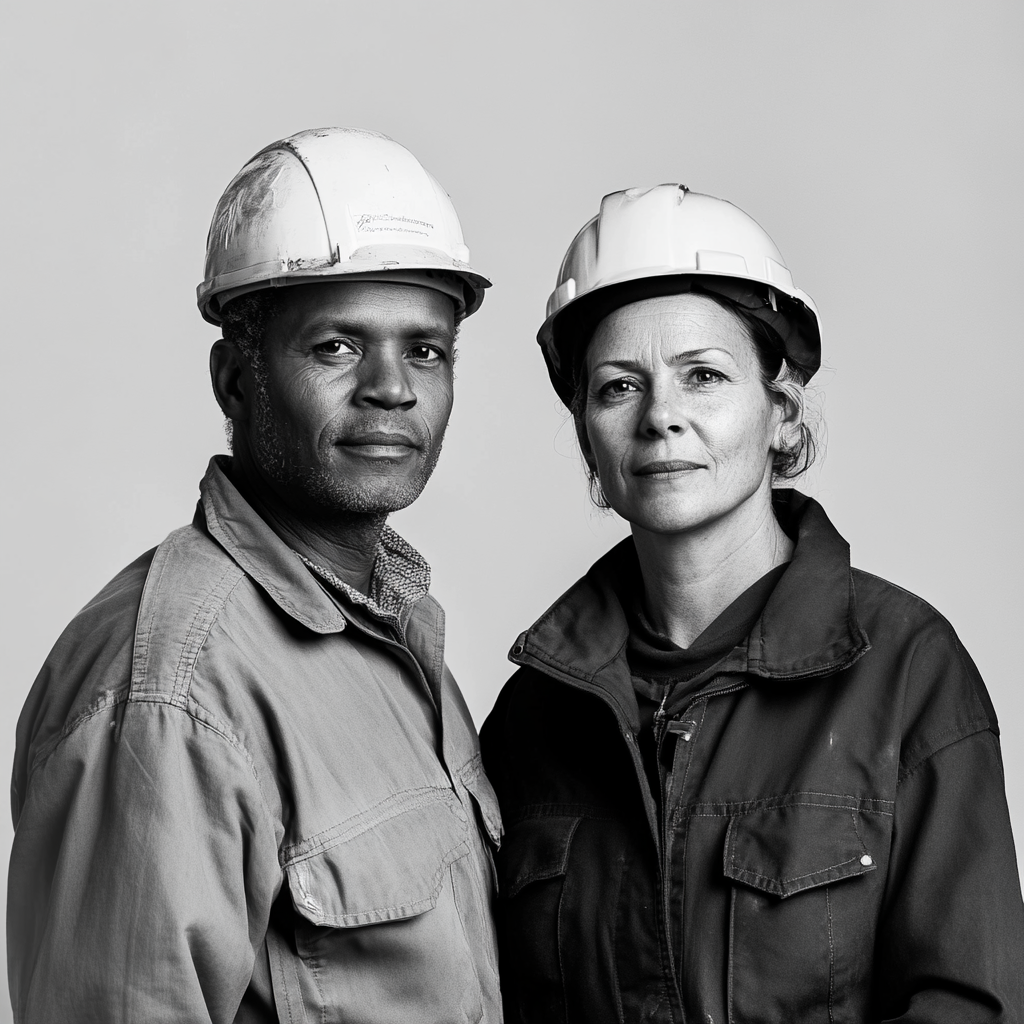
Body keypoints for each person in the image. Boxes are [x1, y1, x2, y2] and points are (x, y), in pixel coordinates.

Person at [481, 184, 1024, 1022]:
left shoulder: (907, 671)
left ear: (780, 413)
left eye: (703, 377)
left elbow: (968, 1002)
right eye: (619, 387)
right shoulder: (534, 715)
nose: (662, 416)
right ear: (588, 433)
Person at [9, 128, 503, 1024]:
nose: (391, 389)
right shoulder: (169, 691)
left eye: (424, 350)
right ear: (236, 379)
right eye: (337, 348)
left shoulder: (394, 634)